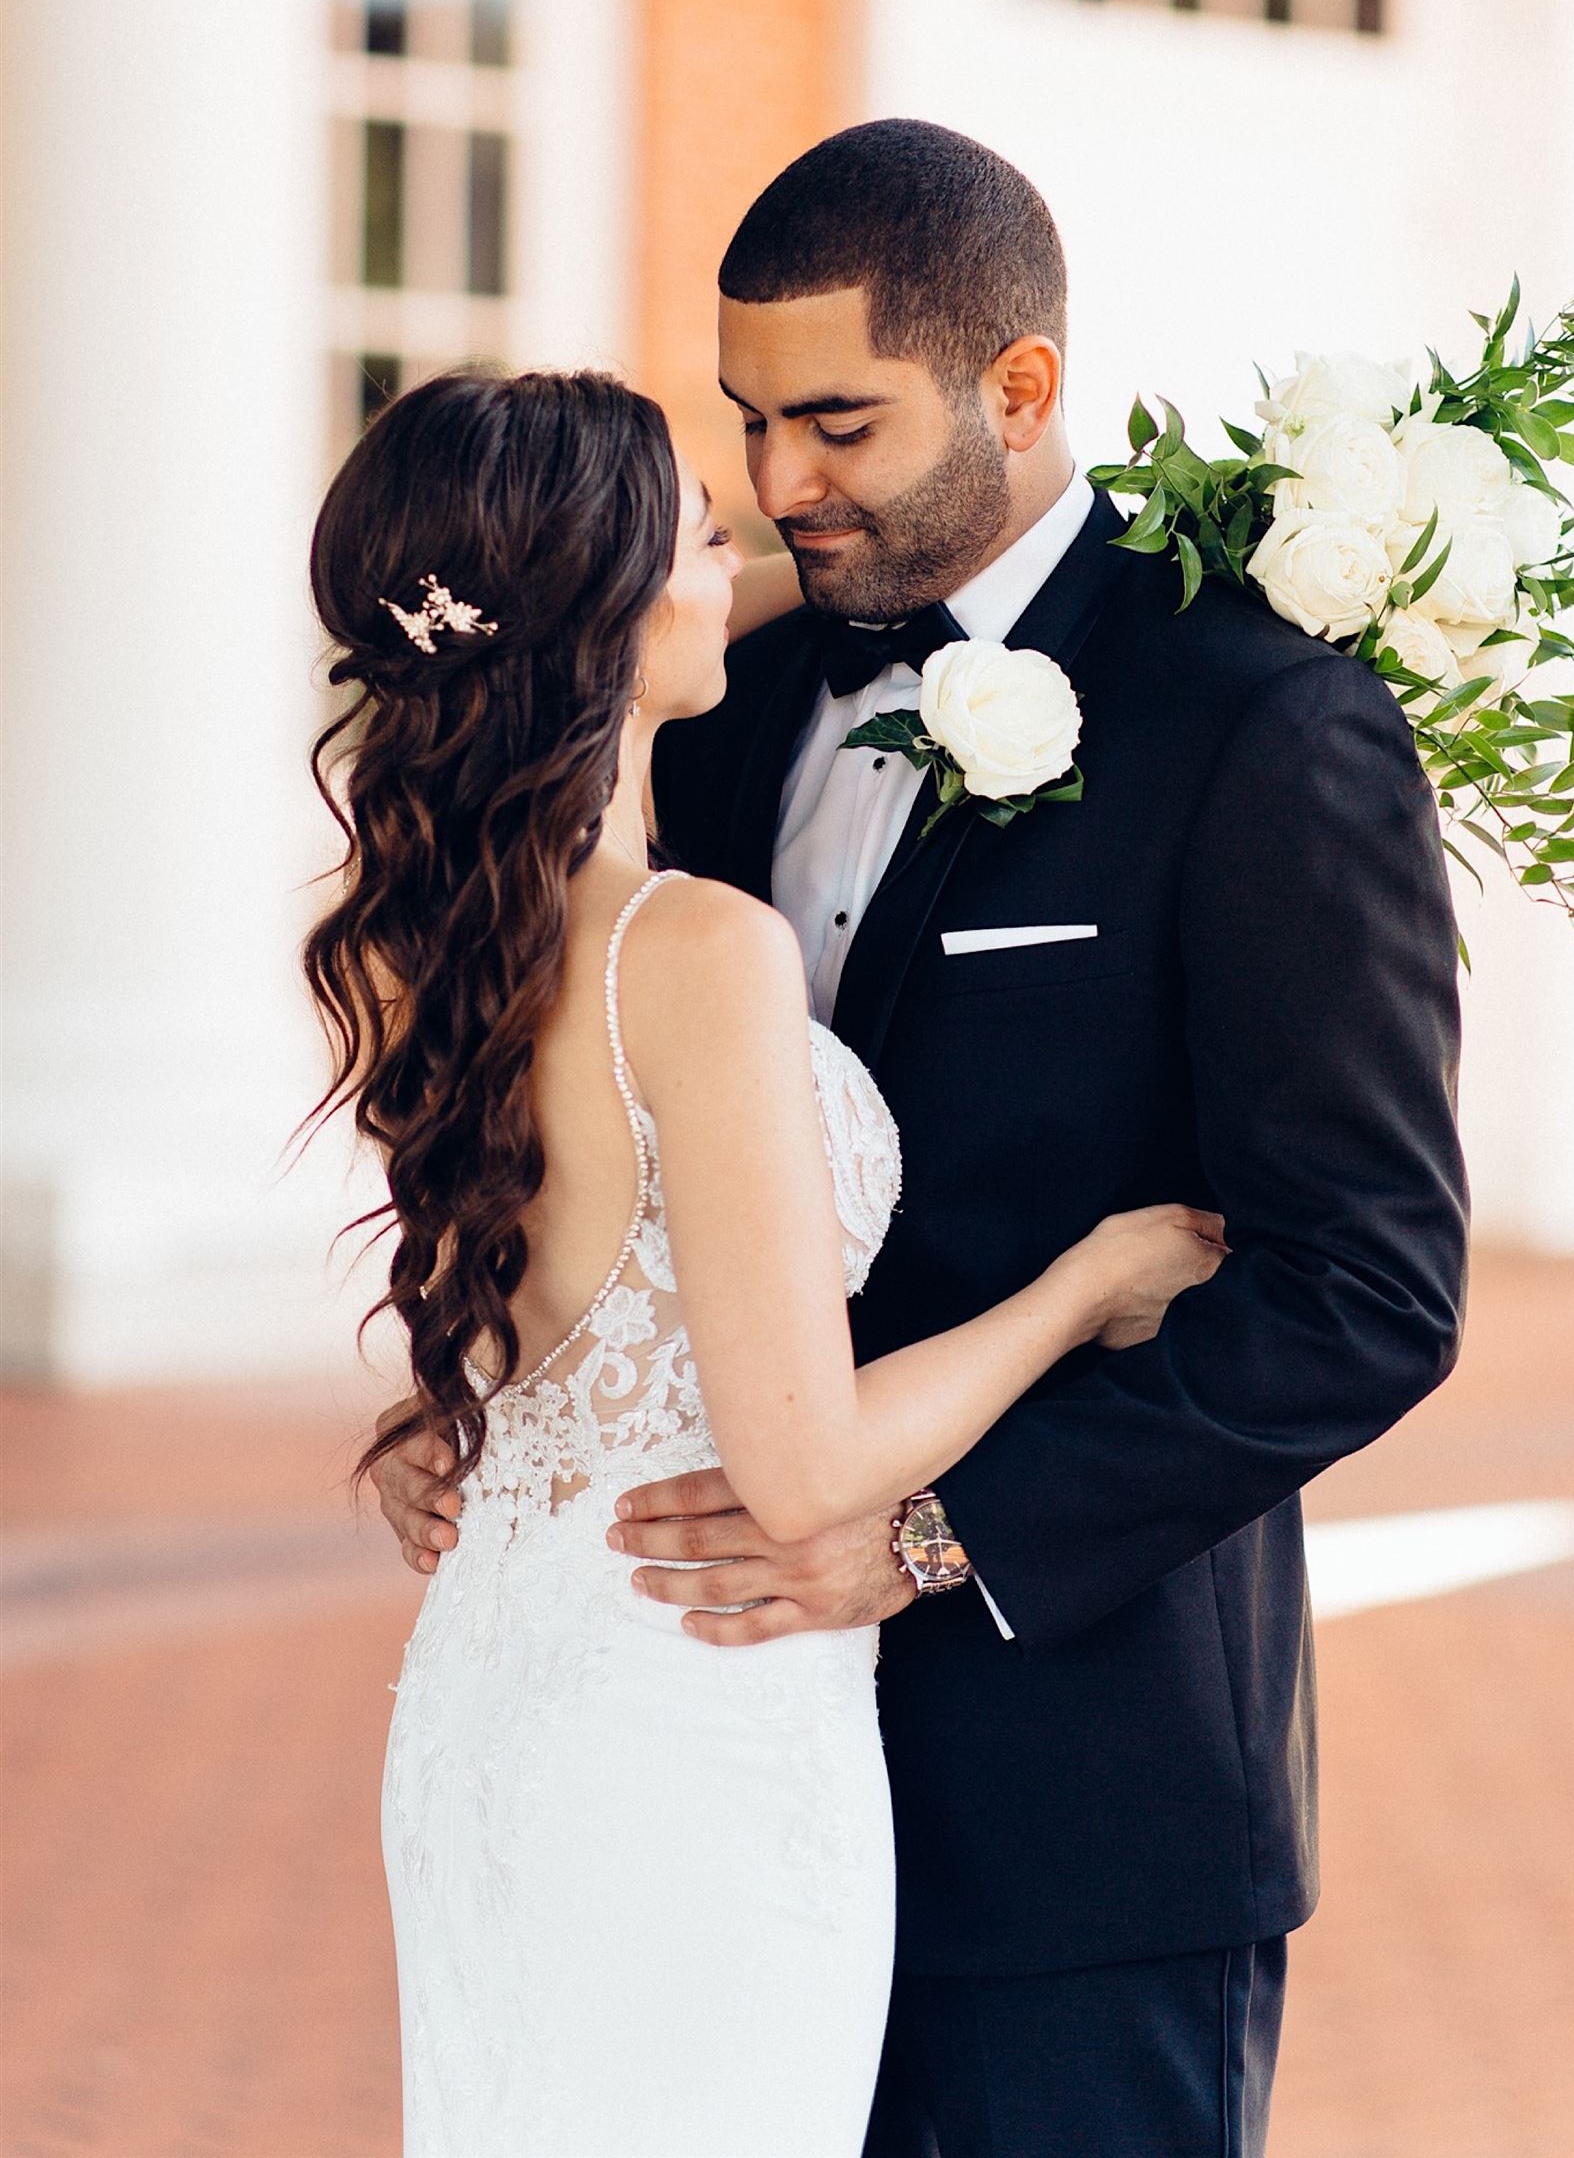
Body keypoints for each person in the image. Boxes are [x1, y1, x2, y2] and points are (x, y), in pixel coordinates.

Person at [374, 121, 1469, 2157]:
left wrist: (943, 1540)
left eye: (834, 421)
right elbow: (602, 1135)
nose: (780, 485)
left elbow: (1365, 1293)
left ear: (1017, 389)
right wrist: (502, 1421)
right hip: (699, 1745)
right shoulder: (724, 694)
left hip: (1080, 1794)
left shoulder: (1257, 724)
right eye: (745, 423)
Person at [306, 363, 1224, 2158]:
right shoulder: (694, 950)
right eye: (701, 532)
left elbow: (546, 1312)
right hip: (688, 1714)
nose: (735, 557)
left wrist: (463, 1429)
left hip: (502, 1690)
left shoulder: (431, 940)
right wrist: (1082, 1288)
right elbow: (800, 1471)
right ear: (613, 605)